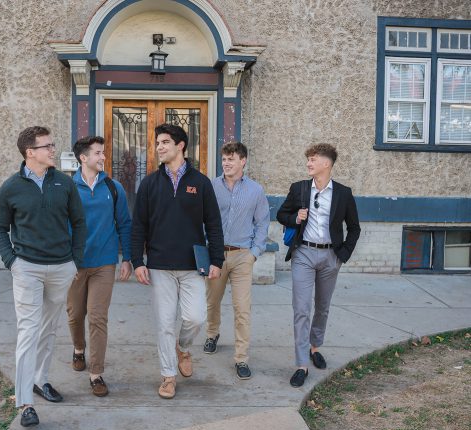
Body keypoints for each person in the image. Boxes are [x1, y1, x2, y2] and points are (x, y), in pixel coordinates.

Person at [0, 126, 87, 427]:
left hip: (61, 268)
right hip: (27, 268)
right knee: (29, 331)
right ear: (29, 152)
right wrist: (12, 262)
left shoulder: (64, 184)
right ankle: (25, 404)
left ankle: (40, 380)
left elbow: (79, 223)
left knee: (48, 330)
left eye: (52, 145)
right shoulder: (11, 187)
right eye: (47, 146)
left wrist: (75, 261)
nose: (52, 150)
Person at [131, 123, 224, 399]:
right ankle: (168, 376)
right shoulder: (149, 183)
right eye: (157, 142)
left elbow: (214, 225)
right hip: (159, 266)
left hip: (192, 265)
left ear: (180, 145)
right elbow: (139, 226)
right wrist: (137, 260)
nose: (159, 147)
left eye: (164, 142)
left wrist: (217, 259)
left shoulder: (201, 182)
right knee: (163, 324)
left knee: (196, 318)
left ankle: (183, 348)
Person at [276, 143, 360, 388]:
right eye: (308, 160)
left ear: (326, 163)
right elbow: (282, 214)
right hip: (303, 253)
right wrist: (295, 218)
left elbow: (354, 227)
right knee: (301, 309)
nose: (308, 164)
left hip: (330, 256)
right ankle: (301, 363)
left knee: (322, 307)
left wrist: (342, 254)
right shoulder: (299, 188)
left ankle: (315, 347)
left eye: (313, 160)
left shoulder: (343, 193)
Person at [66, 135, 132, 397]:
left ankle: (96, 373)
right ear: (83, 158)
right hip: (74, 264)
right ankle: (78, 349)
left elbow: (125, 224)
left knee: (97, 317)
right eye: (97, 153)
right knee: (74, 314)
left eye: (103, 153)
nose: (103, 157)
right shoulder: (67, 188)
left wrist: (127, 257)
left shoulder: (114, 188)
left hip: (104, 263)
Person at [203, 141, 270, 379]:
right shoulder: (211, 187)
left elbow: (262, 223)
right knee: (212, 302)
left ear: (243, 161)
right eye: (224, 159)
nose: (226, 163)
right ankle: (212, 334)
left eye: (231, 159)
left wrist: (254, 252)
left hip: (243, 255)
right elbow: (202, 218)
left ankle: (241, 358)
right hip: (216, 255)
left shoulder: (255, 190)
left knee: (242, 309)